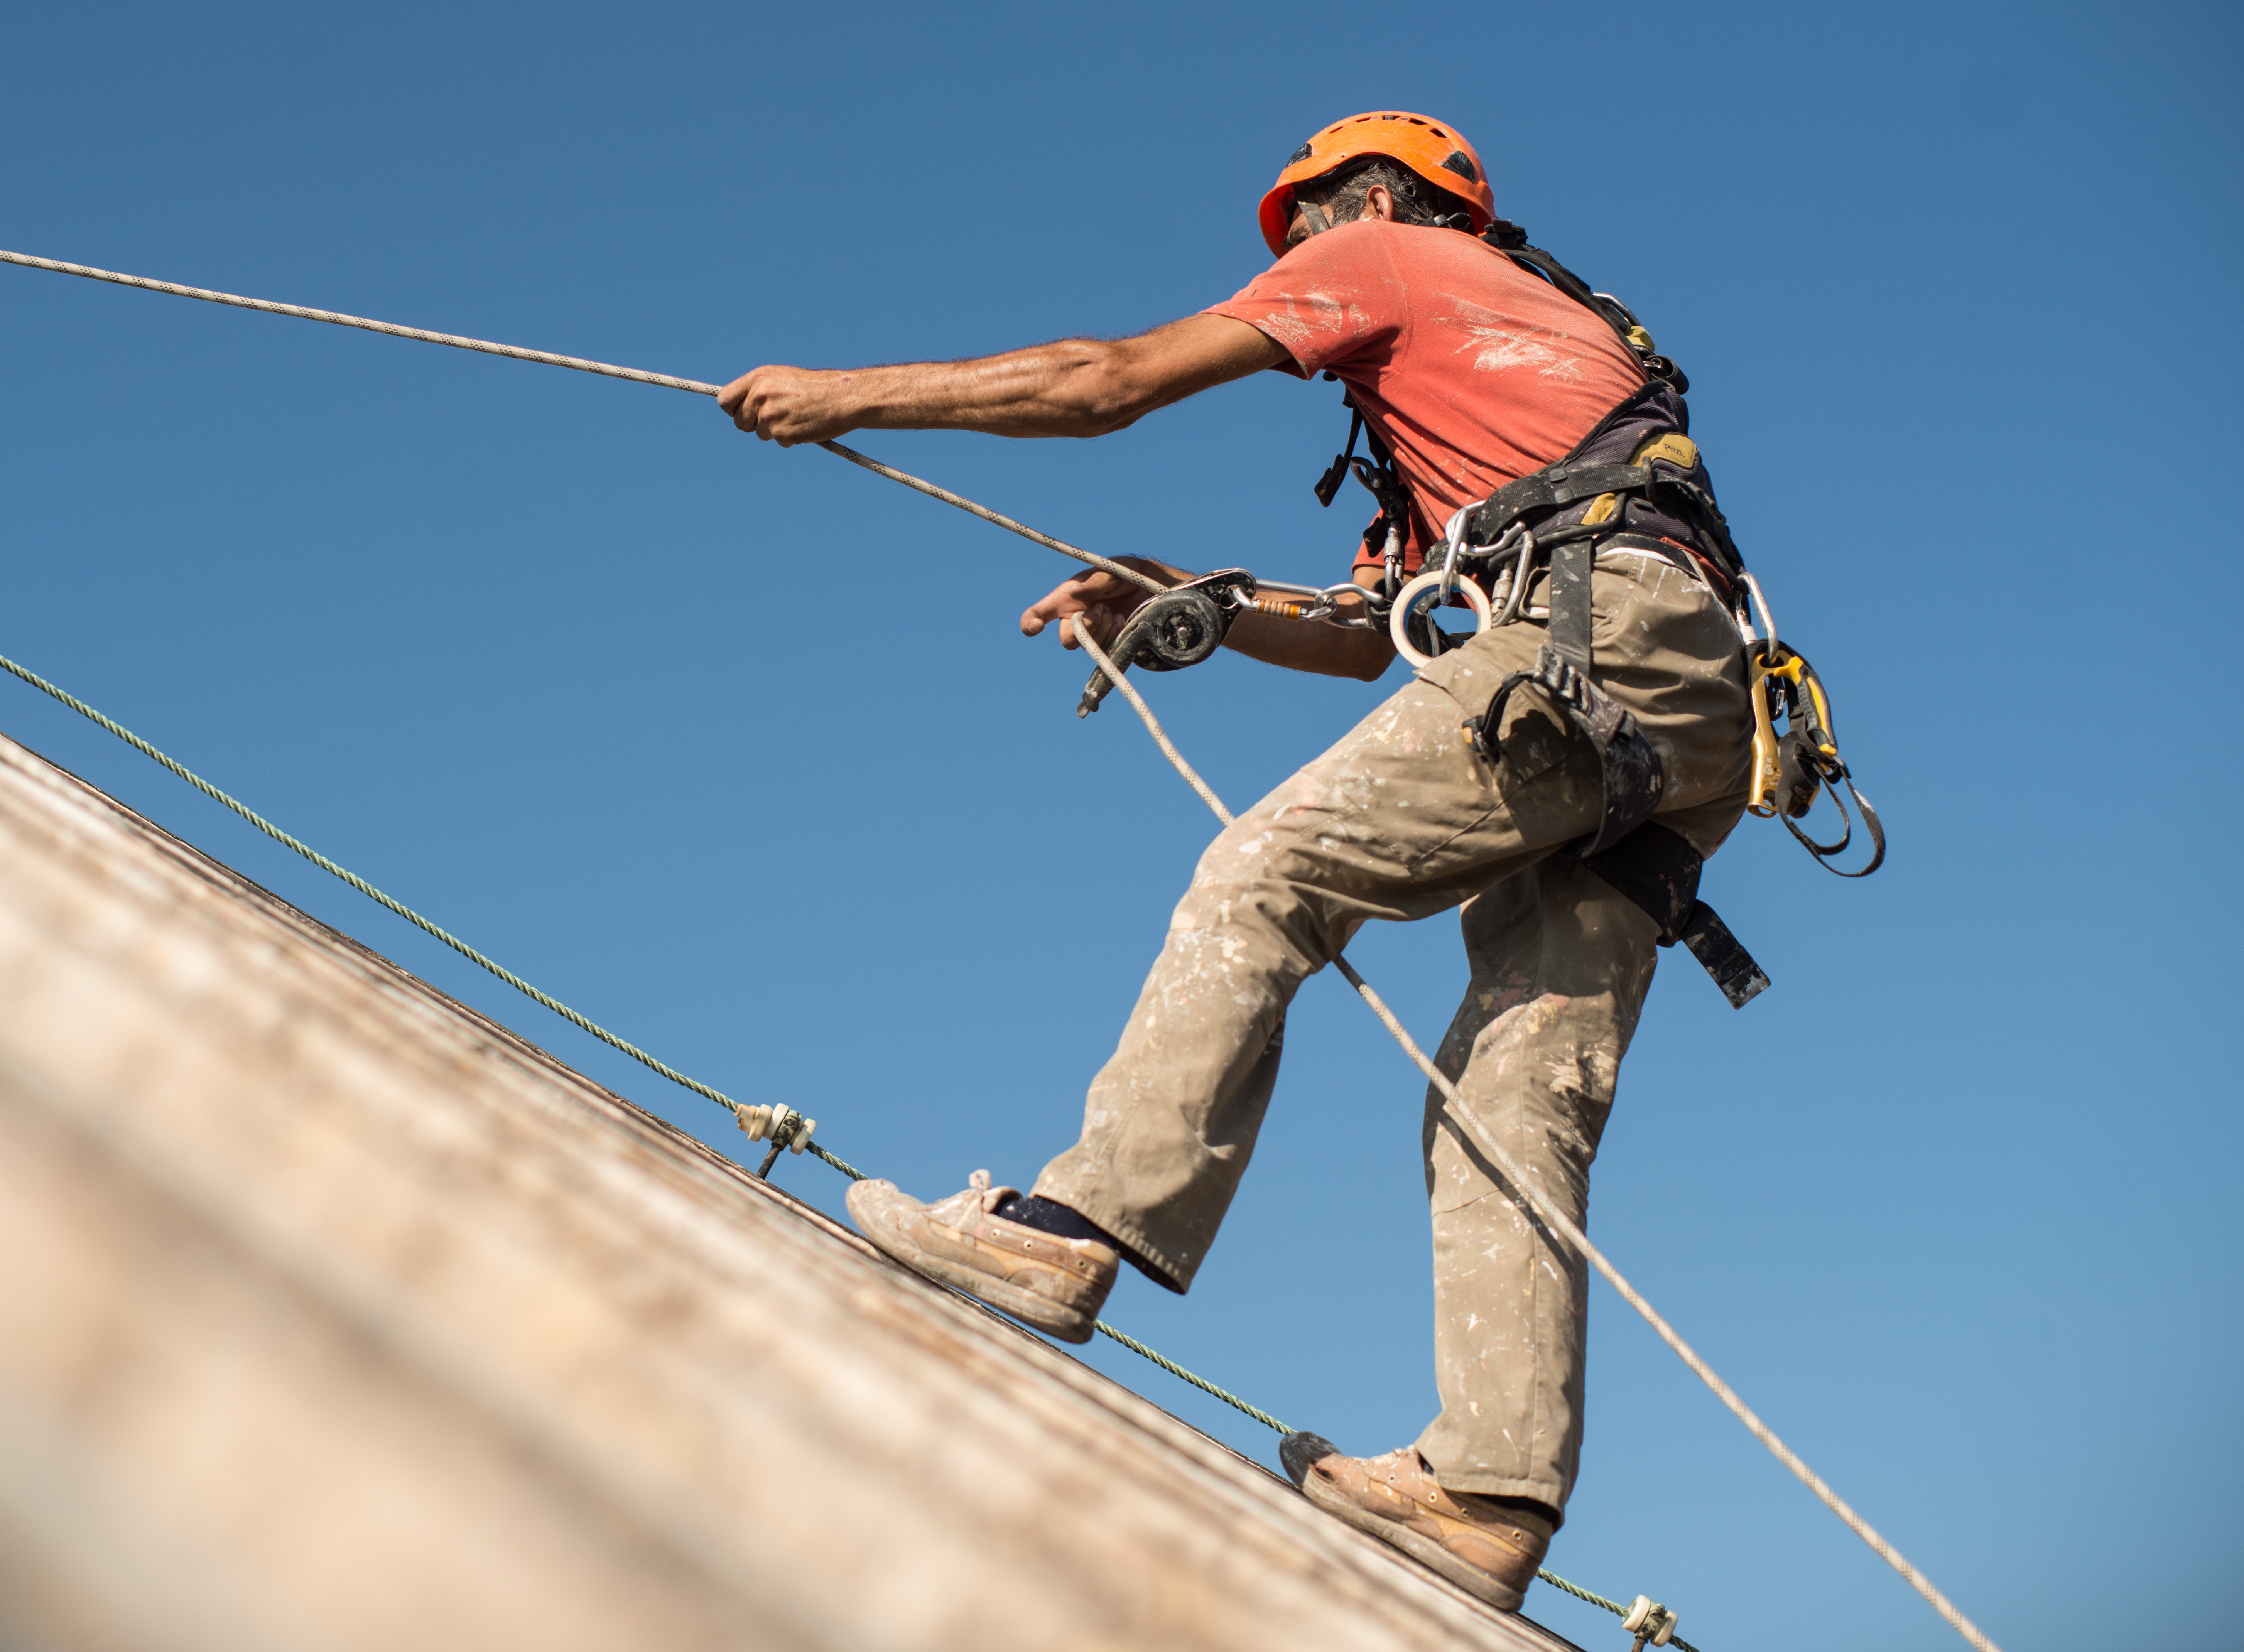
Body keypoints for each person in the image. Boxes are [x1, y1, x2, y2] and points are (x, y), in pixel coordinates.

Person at [715, 111, 1754, 1612]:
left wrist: (845, 397)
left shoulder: (1394, 253)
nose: (1298, 260)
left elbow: (1105, 381)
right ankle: (1487, 1493)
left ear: (1383, 200)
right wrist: (1176, 601)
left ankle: (1073, 1230)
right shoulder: (1508, 408)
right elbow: (1354, 643)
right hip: (1683, 703)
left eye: (1311, 222)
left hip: (1597, 638)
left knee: (1265, 874)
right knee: (1511, 1102)